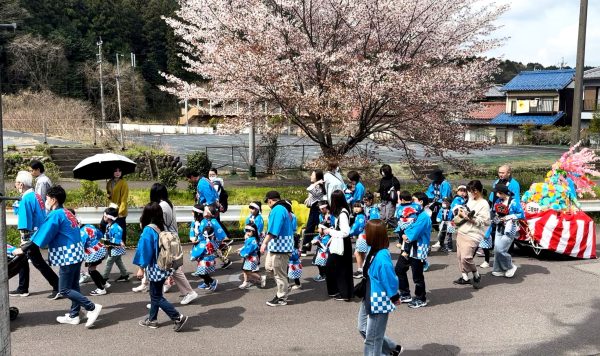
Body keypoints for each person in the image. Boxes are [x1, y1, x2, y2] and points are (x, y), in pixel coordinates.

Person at [12, 185, 103, 327]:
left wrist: (23, 249)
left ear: (54, 200)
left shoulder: (55, 215)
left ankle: (91, 307)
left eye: (47, 198)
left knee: (64, 289)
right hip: (76, 253)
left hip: (68, 255)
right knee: (73, 286)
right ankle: (74, 315)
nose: (45, 200)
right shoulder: (66, 212)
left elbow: (42, 234)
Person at [134, 202, 188, 331]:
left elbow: (145, 250)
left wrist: (141, 268)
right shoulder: (160, 227)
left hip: (155, 268)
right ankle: (152, 320)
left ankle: (177, 317)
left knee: (156, 296)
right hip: (164, 266)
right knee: (155, 294)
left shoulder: (148, 230)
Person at [10, 170, 60, 299]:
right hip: (38, 232)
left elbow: (24, 223)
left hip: (30, 235)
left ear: (21, 184)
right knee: (23, 260)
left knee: (38, 263)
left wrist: (24, 241)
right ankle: (22, 288)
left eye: (16, 183)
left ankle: (57, 285)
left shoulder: (26, 198)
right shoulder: (35, 195)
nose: (15, 186)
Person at [357, 219, 403, 356]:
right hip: (369, 294)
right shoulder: (373, 250)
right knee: (363, 328)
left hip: (378, 298)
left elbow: (389, 278)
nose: (365, 234)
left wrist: (394, 296)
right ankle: (392, 349)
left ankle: (384, 351)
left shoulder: (382, 256)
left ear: (373, 235)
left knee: (372, 339)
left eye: (367, 232)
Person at [150, 183, 198, 305]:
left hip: (168, 241)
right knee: (171, 269)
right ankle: (184, 292)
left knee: (165, 268)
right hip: (171, 239)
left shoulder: (162, 206)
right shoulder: (168, 203)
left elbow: (160, 224)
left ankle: (158, 300)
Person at [453, 180, 490, 289]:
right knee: (460, 257)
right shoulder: (470, 200)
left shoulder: (484, 204)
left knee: (466, 257)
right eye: (469, 191)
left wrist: (469, 218)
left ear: (478, 191)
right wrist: (460, 211)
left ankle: (476, 274)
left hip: (473, 234)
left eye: (472, 191)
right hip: (462, 231)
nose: (470, 193)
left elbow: (483, 221)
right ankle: (465, 277)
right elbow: (464, 208)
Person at [396, 192, 431, 308]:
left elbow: (415, 232)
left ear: (420, 202)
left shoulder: (424, 216)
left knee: (417, 275)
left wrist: (405, 236)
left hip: (418, 248)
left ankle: (421, 298)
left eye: (413, 200)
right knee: (399, 269)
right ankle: (405, 294)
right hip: (408, 247)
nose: (411, 203)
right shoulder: (415, 214)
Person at [261, 191, 294, 307]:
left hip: (281, 247)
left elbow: (273, 230)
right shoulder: (283, 208)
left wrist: (264, 243)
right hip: (278, 246)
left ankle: (281, 297)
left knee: (279, 273)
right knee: (269, 268)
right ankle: (285, 286)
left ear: (270, 200)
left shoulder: (278, 209)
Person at [324, 190, 353, 301]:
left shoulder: (342, 213)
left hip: (342, 243)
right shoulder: (342, 212)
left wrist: (330, 231)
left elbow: (346, 232)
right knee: (334, 267)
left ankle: (343, 293)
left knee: (340, 268)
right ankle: (338, 291)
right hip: (340, 242)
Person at [490, 184, 524, 278]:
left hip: (510, 228)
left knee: (501, 249)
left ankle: (510, 266)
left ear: (502, 193)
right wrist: (495, 217)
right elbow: (493, 211)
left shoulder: (514, 202)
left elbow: (521, 214)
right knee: (497, 249)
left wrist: (507, 217)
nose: (495, 194)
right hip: (499, 227)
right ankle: (498, 269)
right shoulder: (498, 201)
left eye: (497, 192)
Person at [78, 218, 111, 296]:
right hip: (100, 248)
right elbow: (100, 234)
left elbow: (81, 245)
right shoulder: (89, 225)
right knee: (93, 269)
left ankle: (101, 289)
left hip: (92, 253)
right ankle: (104, 283)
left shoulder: (81, 233)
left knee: (91, 270)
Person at [100, 207, 130, 283]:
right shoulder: (109, 225)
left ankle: (104, 278)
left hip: (115, 249)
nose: (103, 218)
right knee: (118, 261)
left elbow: (116, 241)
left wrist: (107, 241)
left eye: (105, 216)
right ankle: (125, 274)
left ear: (109, 218)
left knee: (108, 263)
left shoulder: (116, 227)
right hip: (113, 248)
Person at [302, 170, 326, 255]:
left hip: (318, 209)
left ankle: (321, 246)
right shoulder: (317, 186)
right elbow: (312, 195)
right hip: (314, 209)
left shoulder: (319, 186)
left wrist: (317, 183)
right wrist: (308, 199)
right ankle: (306, 247)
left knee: (320, 228)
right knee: (310, 228)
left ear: (317, 177)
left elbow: (309, 189)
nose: (311, 177)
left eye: (312, 175)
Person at [103, 167, 129, 244]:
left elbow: (124, 199)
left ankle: (121, 248)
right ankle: (110, 247)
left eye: (119, 171)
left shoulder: (123, 183)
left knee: (120, 231)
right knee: (109, 229)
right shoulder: (109, 183)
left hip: (120, 211)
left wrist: (119, 213)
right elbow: (109, 195)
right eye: (115, 171)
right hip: (112, 210)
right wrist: (108, 195)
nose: (118, 173)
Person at [191, 225, 219, 291]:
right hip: (210, 259)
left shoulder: (206, 243)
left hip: (205, 260)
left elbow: (199, 251)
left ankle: (212, 281)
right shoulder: (213, 241)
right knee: (205, 272)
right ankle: (207, 283)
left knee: (200, 273)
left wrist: (194, 256)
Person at [238, 222, 265, 289]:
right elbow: (246, 247)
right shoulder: (251, 239)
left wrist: (241, 253)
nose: (247, 232)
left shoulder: (253, 240)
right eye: (246, 230)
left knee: (248, 271)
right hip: (250, 258)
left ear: (254, 231)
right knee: (245, 270)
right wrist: (241, 249)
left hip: (251, 258)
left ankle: (261, 278)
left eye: (249, 231)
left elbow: (248, 250)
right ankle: (247, 282)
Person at [311, 201, 332, 282]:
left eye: (323, 208)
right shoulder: (321, 215)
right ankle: (323, 274)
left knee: (322, 258)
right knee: (319, 259)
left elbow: (331, 226)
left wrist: (323, 226)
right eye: (320, 209)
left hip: (328, 238)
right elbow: (320, 227)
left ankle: (324, 274)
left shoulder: (331, 216)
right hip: (322, 237)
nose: (322, 210)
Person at [351, 202, 368, 279]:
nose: (356, 209)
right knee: (362, 253)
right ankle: (363, 269)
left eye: (358, 207)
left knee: (357, 253)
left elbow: (357, 227)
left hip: (362, 236)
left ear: (362, 208)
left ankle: (360, 270)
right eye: (355, 207)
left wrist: (349, 233)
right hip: (363, 236)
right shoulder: (360, 215)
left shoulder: (360, 216)